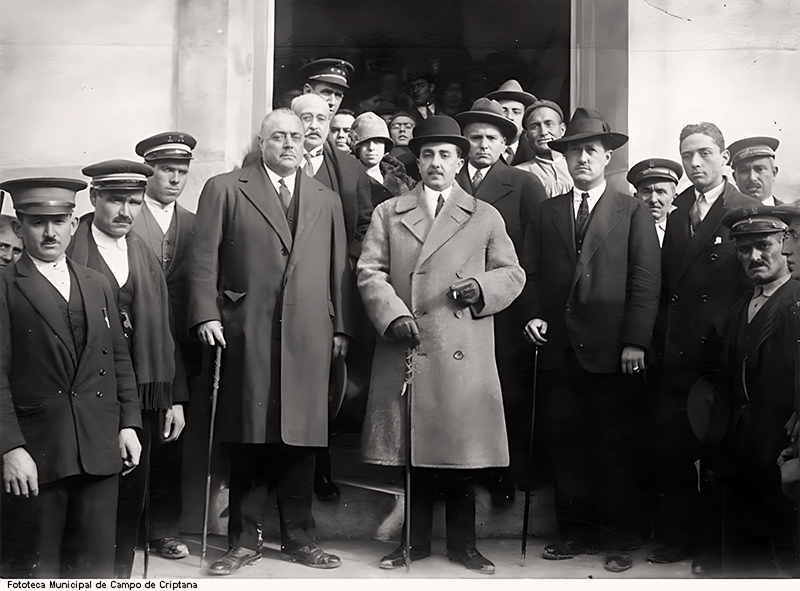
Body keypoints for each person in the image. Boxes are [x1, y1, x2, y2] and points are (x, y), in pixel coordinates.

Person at [357, 115, 525, 575]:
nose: (435, 163)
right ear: (419, 159)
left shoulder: (484, 215)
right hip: (410, 344)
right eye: (428, 154)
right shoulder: (389, 212)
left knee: (462, 453)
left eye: (445, 155)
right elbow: (370, 271)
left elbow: (512, 273)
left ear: (460, 160)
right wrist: (392, 315)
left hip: (462, 346)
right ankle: (413, 544)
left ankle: (463, 546)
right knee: (416, 453)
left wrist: (480, 288)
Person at [186, 108, 351, 575]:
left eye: (296, 137)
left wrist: (341, 327)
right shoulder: (225, 188)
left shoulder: (326, 198)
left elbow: (341, 268)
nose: (289, 144)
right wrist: (205, 314)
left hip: (310, 335)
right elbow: (203, 260)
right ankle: (243, 541)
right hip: (246, 330)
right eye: (278, 136)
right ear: (261, 142)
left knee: (301, 437)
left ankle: (300, 538)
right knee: (248, 435)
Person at [522, 108, 661, 573]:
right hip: (561, 350)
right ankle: (574, 533)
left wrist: (635, 341)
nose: (582, 158)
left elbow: (645, 279)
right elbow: (532, 273)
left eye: (590, 151)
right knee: (566, 443)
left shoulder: (631, 209)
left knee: (614, 445)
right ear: (563, 157)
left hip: (612, 351)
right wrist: (534, 316)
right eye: (574, 150)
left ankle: (620, 536)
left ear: (607, 158)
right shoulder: (548, 212)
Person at [0, 177, 141, 578]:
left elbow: (118, 360)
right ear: (21, 225)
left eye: (59, 221)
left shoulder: (96, 283)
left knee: (93, 568)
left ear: (74, 223)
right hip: (37, 455)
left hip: (98, 447)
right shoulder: (5, 286)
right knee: (35, 570)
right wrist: (10, 448)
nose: (49, 232)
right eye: (37, 222)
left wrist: (129, 424)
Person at [649, 122, 759, 573]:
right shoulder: (677, 214)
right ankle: (680, 538)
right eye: (688, 155)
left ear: (724, 158)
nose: (695, 163)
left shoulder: (745, 210)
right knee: (674, 449)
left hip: (720, 353)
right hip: (677, 351)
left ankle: (715, 547)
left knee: (719, 450)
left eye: (705, 153)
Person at [66, 159, 179, 578]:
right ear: (95, 198)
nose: (125, 211)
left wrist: (173, 398)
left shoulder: (143, 254)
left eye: (134, 201)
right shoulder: (71, 248)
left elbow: (164, 329)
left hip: (140, 395)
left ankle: (121, 576)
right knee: (89, 495)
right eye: (115, 200)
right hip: (85, 393)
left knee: (131, 493)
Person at [453, 97, 547, 505]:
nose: (483, 145)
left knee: (505, 391)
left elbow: (535, 252)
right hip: (453, 306)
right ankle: (456, 473)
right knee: (457, 392)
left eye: (492, 137)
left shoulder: (524, 184)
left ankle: (503, 475)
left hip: (505, 308)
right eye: (475, 137)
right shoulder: (446, 180)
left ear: (505, 143)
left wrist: (531, 311)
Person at [705, 206, 799, 573]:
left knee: (785, 551)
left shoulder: (796, 301)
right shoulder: (738, 308)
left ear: (784, 243)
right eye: (744, 249)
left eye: (763, 245)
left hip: (781, 450)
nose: (754, 257)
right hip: (737, 449)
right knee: (741, 555)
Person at [291, 92, 372, 501]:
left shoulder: (351, 170)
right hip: (290, 294)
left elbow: (364, 224)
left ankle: (321, 470)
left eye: (322, 117)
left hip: (334, 289)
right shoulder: (270, 169)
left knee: (327, 386)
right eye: (306, 117)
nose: (314, 125)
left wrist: (347, 261)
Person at [132, 131, 199, 561]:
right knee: (129, 435)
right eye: (166, 170)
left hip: (179, 349)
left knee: (170, 440)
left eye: (182, 172)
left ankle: (162, 529)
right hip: (132, 342)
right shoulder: (125, 215)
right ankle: (127, 525)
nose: (174, 179)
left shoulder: (194, 223)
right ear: (148, 172)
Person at [350, 111, 415, 207]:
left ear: (385, 146)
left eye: (378, 142)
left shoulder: (400, 176)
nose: (371, 148)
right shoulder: (349, 178)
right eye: (365, 142)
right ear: (357, 148)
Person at [514, 99, 573, 198]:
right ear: (527, 136)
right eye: (535, 127)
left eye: (549, 124)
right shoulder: (518, 174)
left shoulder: (578, 168)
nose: (543, 132)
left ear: (562, 130)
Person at [627, 158, 682, 247]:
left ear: (674, 197)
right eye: (646, 192)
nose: (653, 200)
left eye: (660, 192)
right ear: (636, 197)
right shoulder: (626, 232)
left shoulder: (683, 232)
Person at [485, 79, 537, 166]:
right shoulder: (482, 148)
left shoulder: (535, 151)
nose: (509, 117)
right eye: (504, 111)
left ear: (525, 118)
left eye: (516, 112)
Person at [728, 136, 783, 205]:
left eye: (759, 169)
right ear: (735, 178)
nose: (752, 178)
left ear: (774, 173)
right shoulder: (723, 215)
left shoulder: (793, 215)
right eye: (744, 171)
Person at [389, 112, 420, 182]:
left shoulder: (421, 155)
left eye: (408, 127)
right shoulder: (382, 156)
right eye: (396, 127)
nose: (402, 130)